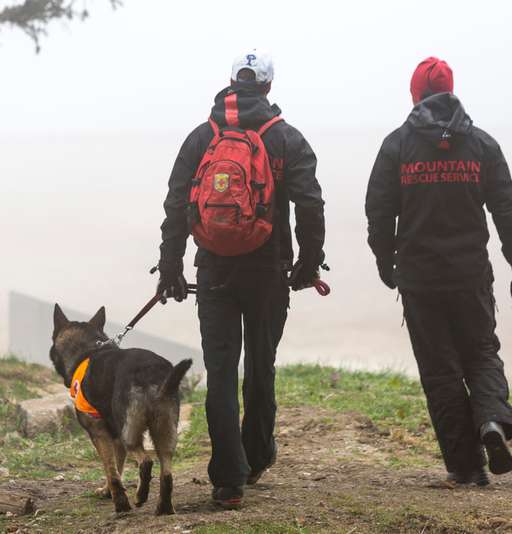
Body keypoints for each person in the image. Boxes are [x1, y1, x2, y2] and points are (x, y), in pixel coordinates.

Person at [157, 49, 325, 508]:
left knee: (221, 373)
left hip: (213, 270)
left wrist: (171, 266)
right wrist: (309, 262)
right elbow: (310, 205)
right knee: (260, 366)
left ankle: (228, 481)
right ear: (267, 87)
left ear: (231, 83)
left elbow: (176, 203)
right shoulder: (286, 138)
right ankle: (258, 456)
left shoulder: (201, 137)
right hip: (268, 270)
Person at [365, 57, 512, 485]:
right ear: (451, 91)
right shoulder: (481, 145)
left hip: (420, 280)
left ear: (414, 95)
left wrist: (385, 261)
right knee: (481, 353)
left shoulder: (396, 146)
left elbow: (378, 213)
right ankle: (492, 421)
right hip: (471, 277)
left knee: (440, 370)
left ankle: (466, 467)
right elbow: (508, 214)